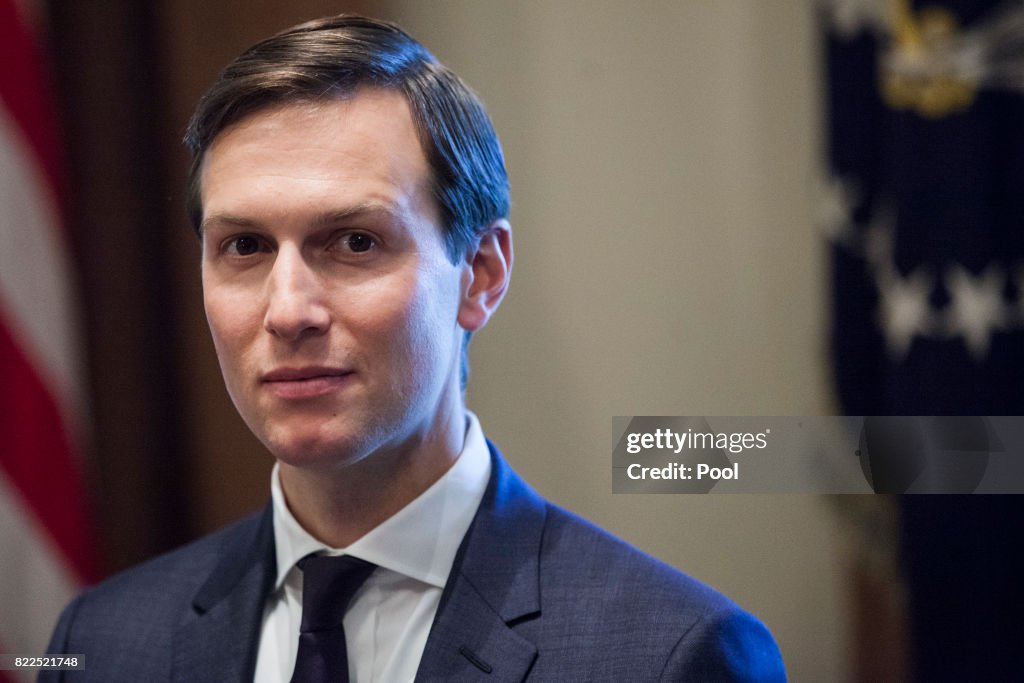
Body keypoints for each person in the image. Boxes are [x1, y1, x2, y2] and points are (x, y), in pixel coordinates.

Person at [42, 15, 785, 682]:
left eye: (356, 241)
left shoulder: (672, 655)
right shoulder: (100, 643)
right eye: (244, 246)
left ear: (481, 275)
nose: (289, 310)